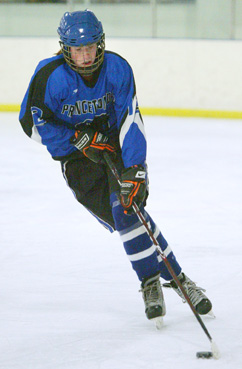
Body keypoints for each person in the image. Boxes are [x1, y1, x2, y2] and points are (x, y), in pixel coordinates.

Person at [19, 9, 212, 325]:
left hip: (114, 146)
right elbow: (32, 123)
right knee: (130, 221)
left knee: (127, 208)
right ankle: (178, 278)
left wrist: (135, 166)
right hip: (77, 160)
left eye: (91, 47)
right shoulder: (49, 75)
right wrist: (75, 139)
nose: (85, 56)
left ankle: (153, 282)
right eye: (77, 49)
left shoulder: (118, 68)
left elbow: (129, 118)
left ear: (101, 43)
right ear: (65, 48)